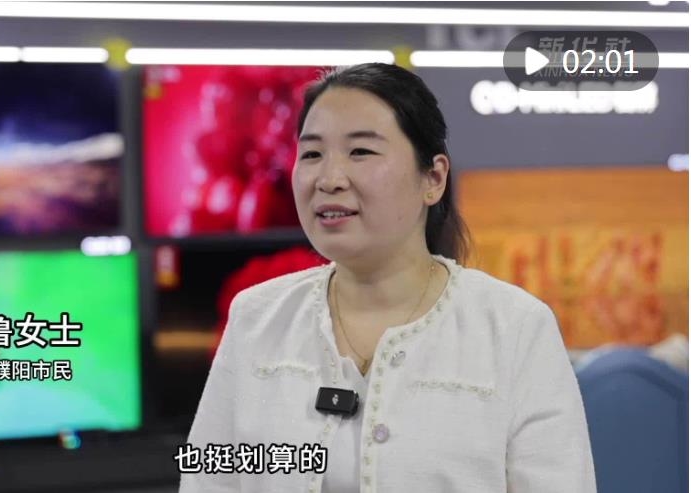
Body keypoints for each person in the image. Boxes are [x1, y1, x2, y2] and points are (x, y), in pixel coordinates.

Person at [179, 63, 596, 493]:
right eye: (312, 154)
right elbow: (208, 480)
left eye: (360, 152)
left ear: (433, 178)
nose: (329, 179)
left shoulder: (515, 327)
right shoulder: (255, 317)